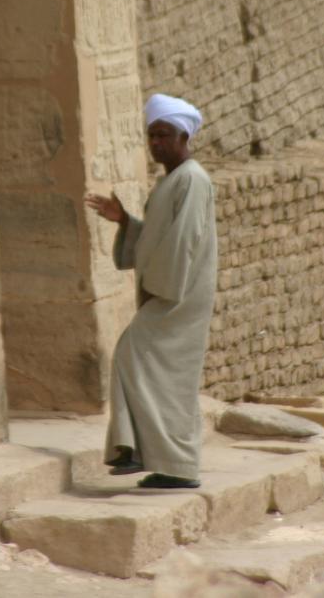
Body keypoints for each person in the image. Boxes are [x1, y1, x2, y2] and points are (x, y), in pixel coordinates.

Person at [84, 93, 218, 489]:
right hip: (172, 288)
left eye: (163, 135)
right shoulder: (173, 180)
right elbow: (160, 238)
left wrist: (162, 287)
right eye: (151, 136)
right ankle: (158, 458)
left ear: (183, 136)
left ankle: (144, 452)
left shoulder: (192, 179)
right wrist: (126, 220)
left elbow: (182, 242)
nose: (156, 143)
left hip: (179, 294)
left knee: (133, 354)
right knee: (157, 374)